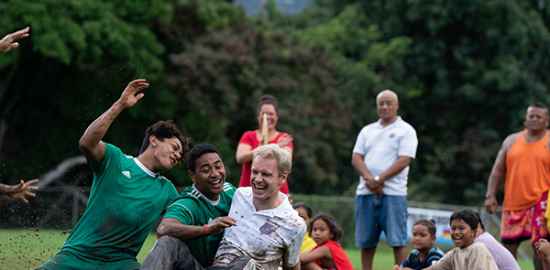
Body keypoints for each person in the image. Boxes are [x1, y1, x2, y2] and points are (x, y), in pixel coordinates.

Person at [37, 79, 191, 270]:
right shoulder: (115, 159)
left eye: (180, 155)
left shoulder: (166, 190)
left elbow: (187, 217)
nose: (177, 155)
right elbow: (87, 143)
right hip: (77, 255)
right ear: (154, 140)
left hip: (121, 264)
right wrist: (120, 105)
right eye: (175, 147)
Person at [140, 143, 250, 270]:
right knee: (168, 242)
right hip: (195, 267)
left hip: (224, 266)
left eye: (218, 166)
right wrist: (205, 229)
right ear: (192, 175)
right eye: (206, 170)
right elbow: (163, 229)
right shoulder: (189, 203)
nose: (215, 174)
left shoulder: (230, 191)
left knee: (246, 261)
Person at [352, 89, 418, 269]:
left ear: (396, 105)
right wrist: (370, 180)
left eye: (389, 103)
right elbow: (356, 157)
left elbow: (404, 160)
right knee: (366, 240)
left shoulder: (406, 130)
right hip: (365, 193)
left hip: (393, 193)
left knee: (398, 239)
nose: (385, 106)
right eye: (381, 103)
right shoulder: (367, 130)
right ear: (376, 106)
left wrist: (379, 179)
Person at [212, 144, 306, 270]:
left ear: (282, 178)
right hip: (218, 268)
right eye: (255, 172)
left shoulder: (293, 223)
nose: (257, 179)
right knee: (177, 247)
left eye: (266, 174)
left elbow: (292, 265)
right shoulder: (239, 195)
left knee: (244, 262)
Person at [484, 102, 550, 270]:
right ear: (525, 119)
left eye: (539, 116)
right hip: (513, 204)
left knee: (540, 248)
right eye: (531, 116)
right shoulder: (511, 141)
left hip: (541, 203)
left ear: (547, 120)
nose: (534, 119)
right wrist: (490, 194)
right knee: (507, 249)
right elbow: (498, 171)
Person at [236, 95, 293, 194]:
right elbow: (240, 158)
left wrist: (271, 146)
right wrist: (272, 146)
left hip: (277, 192)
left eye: (271, 114)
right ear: (258, 116)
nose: (268, 117)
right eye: (264, 114)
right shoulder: (249, 135)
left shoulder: (284, 138)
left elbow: (286, 163)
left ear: (276, 116)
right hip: (248, 190)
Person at [425, 209, 498, 270]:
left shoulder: (477, 248)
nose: (456, 232)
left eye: (461, 228)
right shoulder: (454, 254)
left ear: (473, 231)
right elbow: (434, 269)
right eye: (453, 228)